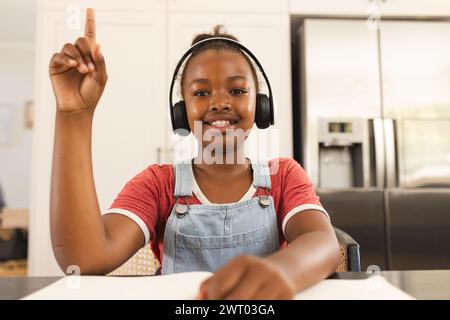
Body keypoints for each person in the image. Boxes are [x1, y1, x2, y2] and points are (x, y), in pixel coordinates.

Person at [49, 8, 339, 300]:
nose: (220, 103)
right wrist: (75, 115)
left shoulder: (284, 177)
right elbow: (83, 260)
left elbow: (323, 243)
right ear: (181, 112)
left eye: (237, 90)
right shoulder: (158, 184)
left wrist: (283, 270)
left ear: (261, 105)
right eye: (201, 93)